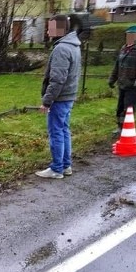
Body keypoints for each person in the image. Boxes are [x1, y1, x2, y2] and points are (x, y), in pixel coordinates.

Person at [36, 14, 87, 179]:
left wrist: (47, 101)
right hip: (69, 97)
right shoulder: (74, 45)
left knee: (56, 132)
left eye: (50, 27)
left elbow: (57, 79)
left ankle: (56, 169)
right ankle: (66, 165)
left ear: (60, 28)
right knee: (64, 130)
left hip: (60, 98)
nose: (47, 30)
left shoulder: (61, 48)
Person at [107, 25, 136, 135]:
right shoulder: (124, 48)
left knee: (128, 108)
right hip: (123, 83)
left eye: (132, 35)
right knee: (120, 108)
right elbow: (117, 65)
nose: (129, 36)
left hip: (133, 85)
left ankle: (127, 130)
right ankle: (120, 128)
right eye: (128, 34)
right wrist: (112, 79)